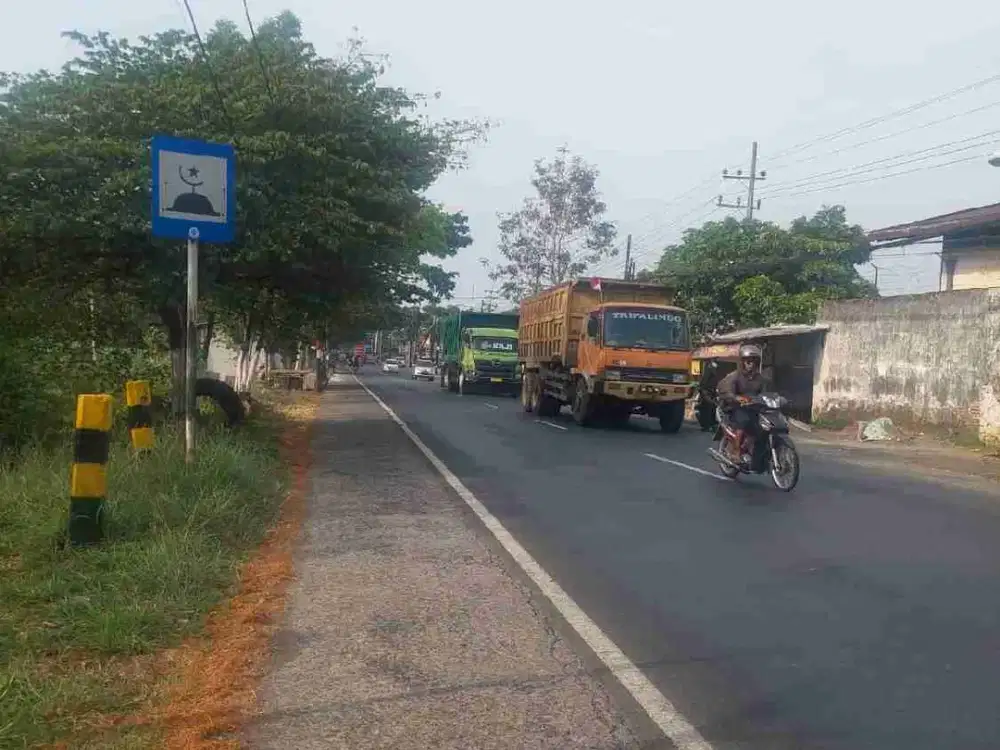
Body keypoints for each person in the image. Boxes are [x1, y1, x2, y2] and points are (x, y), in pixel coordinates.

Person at [716, 343, 771, 466]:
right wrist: (736, 397)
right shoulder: (734, 376)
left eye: (752, 361)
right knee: (743, 421)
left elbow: (766, 393)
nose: (749, 363)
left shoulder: (760, 379)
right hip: (736, 408)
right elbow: (725, 390)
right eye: (747, 361)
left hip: (754, 409)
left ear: (756, 362)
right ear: (742, 362)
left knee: (764, 426)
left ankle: (755, 451)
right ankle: (736, 452)